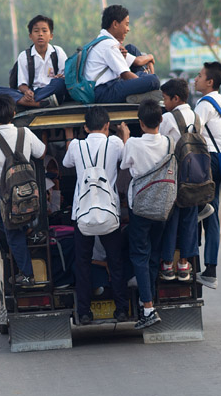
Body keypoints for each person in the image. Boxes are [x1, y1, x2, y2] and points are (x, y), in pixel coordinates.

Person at [62, 105, 130, 324]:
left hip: (82, 216)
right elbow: (128, 160)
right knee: (115, 261)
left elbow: (66, 164)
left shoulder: (76, 145)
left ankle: (83, 312)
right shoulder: (115, 143)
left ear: (84, 127)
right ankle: (121, 309)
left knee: (82, 264)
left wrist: (70, 139)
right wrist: (125, 135)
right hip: (110, 214)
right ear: (107, 125)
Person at [0, 94, 46, 287]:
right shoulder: (24, 133)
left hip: (7, 201)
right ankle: (30, 231)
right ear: (14, 113)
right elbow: (42, 153)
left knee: (10, 231)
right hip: (30, 196)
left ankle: (27, 275)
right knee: (0, 219)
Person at [116, 100, 168, 329]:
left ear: (140, 122)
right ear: (161, 120)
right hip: (163, 206)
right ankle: (150, 300)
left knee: (139, 254)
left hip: (141, 207)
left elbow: (125, 164)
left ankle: (148, 308)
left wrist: (125, 136)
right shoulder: (168, 142)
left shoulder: (134, 143)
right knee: (154, 253)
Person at [158, 78, 199, 282]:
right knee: (189, 220)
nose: (164, 103)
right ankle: (184, 264)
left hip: (174, 177)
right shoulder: (196, 115)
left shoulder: (167, 119)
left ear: (175, 98)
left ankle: (167, 263)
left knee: (171, 220)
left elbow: (162, 145)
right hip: (195, 177)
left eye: (165, 99)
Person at [193, 61, 221, 289]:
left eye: (199, 75)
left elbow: (191, 131)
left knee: (194, 204)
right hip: (219, 159)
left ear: (210, 82)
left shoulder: (204, 104)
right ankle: (210, 269)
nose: (195, 79)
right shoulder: (220, 100)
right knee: (212, 215)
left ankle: (191, 260)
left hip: (208, 160)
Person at [83, 4, 160, 104]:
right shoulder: (109, 45)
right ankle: (142, 94)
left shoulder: (102, 41)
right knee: (153, 80)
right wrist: (144, 85)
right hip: (105, 92)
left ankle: (140, 93)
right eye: (126, 24)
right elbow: (126, 75)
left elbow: (135, 63)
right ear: (115, 24)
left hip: (106, 88)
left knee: (132, 51)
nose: (128, 29)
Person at [0, 15, 68, 108]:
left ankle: (28, 103)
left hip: (52, 92)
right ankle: (39, 103)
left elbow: (65, 78)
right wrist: (27, 92)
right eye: (36, 31)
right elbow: (22, 84)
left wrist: (61, 77)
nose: (40, 34)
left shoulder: (58, 52)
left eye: (44, 31)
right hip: (33, 92)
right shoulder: (24, 56)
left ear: (51, 36)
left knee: (59, 83)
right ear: (30, 36)